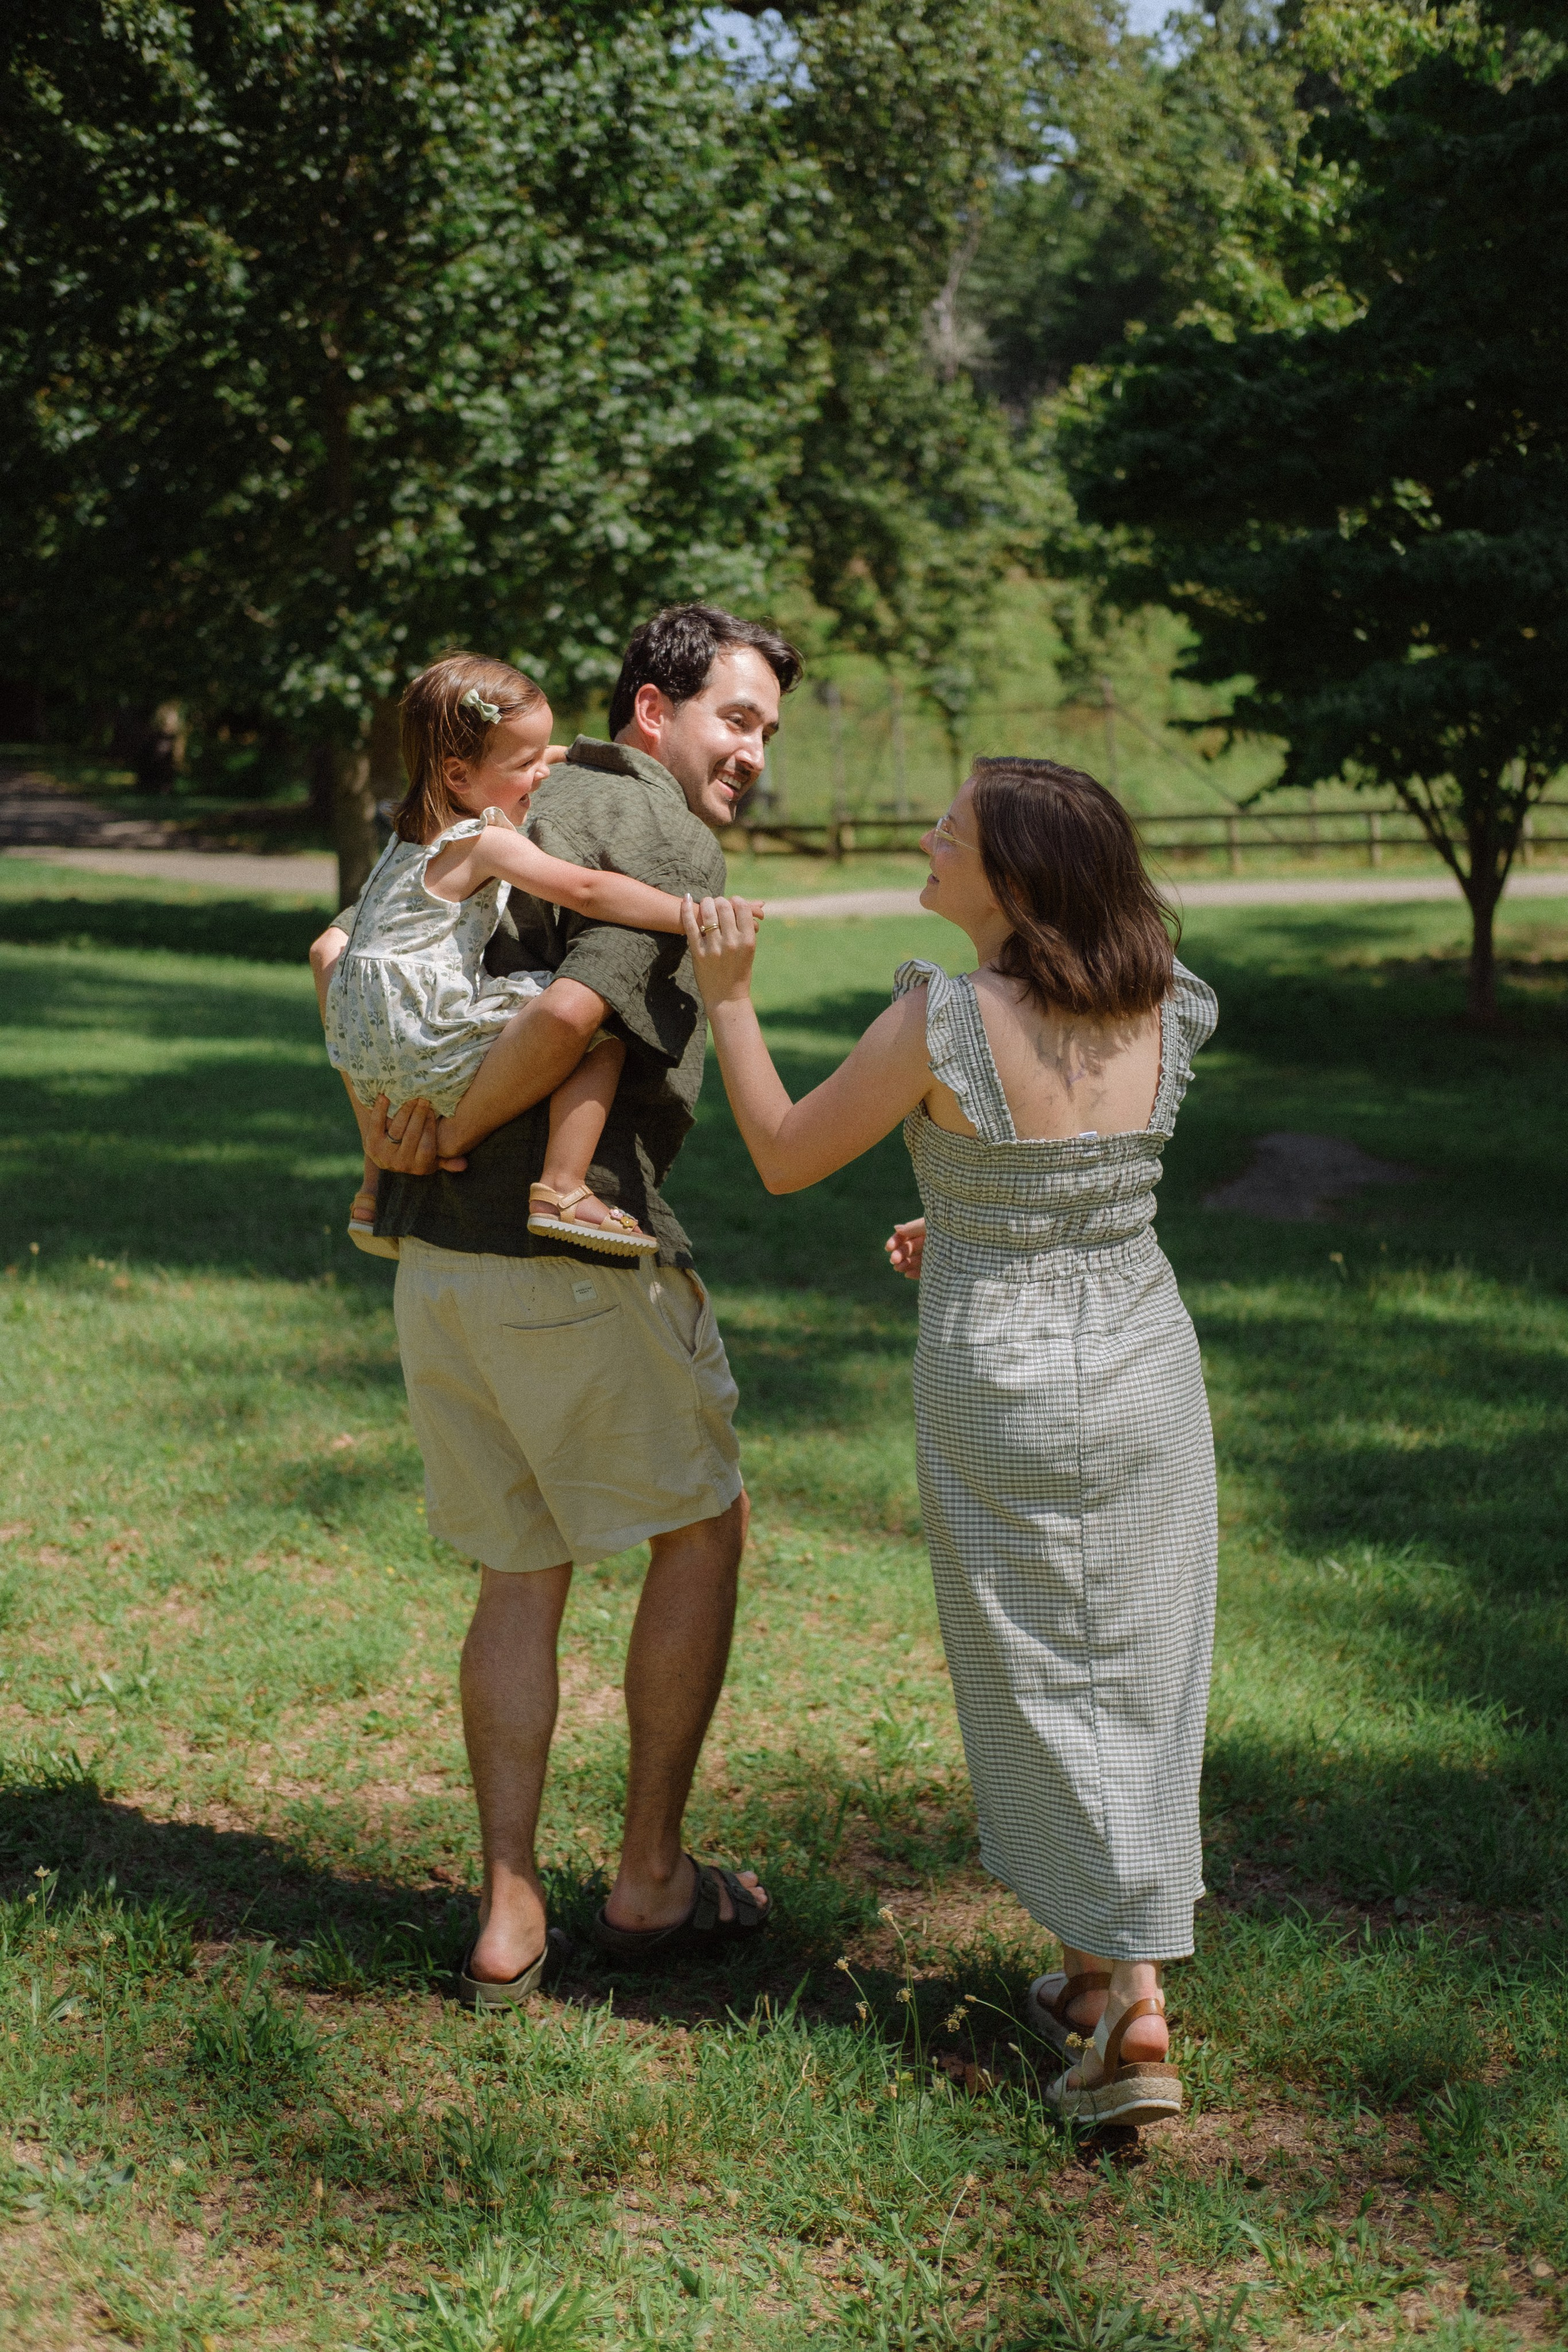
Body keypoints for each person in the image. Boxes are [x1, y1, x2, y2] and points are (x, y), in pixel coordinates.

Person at [682, 757, 1218, 2128]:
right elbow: (1078, 1182)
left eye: (953, 832)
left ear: (1017, 881)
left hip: (1007, 1382)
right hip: (1146, 1367)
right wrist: (967, 1220)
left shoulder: (943, 1017)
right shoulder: (1166, 1001)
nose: (928, 839)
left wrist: (729, 1003)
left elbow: (786, 1152)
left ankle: (1133, 2010)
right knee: (1144, 1668)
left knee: (1040, 1670)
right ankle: (1098, 1978)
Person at [308, 604, 801, 2005]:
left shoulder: (480, 792)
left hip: (433, 1269)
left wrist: (389, 1137)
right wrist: (456, 1123)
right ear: (651, 707)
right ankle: (649, 1877)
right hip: (567, 1264)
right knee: (701, 1525)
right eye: (736, 717)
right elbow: (580, 1011)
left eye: (767, 728)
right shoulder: (643, 821)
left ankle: (508, 1911)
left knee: (519, 1567)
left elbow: (351, 957)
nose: (752, 751)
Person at [320, 652, 758, 1261]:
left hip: (365, 1057)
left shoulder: (405, 837)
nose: (544, 775)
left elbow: (327, 951)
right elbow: (587, 890)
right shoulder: (486, 840)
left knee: (330, 951)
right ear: (457, 775)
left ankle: (372, 1190)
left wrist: (540, 758)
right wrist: (691, 913)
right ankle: (562, 1187)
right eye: (526, 762)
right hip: (431, 1041)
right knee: (598, 1025)